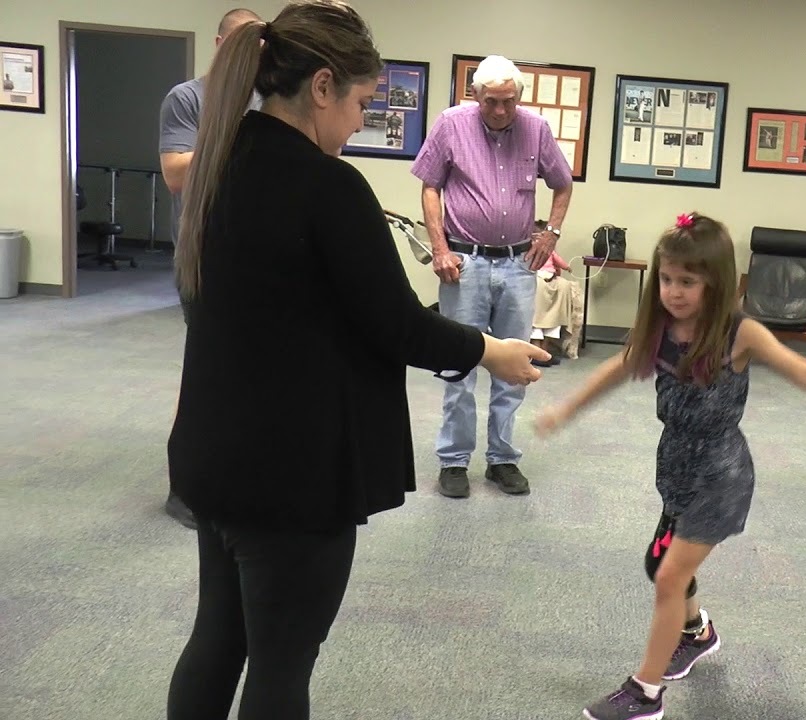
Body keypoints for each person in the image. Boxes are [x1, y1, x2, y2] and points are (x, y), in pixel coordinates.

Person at [163, 4, 548, 718]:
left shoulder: (224, 162)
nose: (360, 124)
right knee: (281, 667)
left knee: (218, 639)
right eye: (363, 104)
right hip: (291, 476)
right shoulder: (326, 186)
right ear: (321, 87)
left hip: (215, 456)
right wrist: (492, 350)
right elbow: (397, 326)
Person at [536, 212, 806, 720]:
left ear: (716, 282)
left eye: (688, 282)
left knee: (669, 579)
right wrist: (566, 409)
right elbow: (618, 367)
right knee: (659, 565)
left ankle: (645, 695)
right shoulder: (661, 328)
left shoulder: (738, 334)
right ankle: (697, 633)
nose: (674, 292)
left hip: (721, 477)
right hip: (676, 466)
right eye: (669, 280)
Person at [410, 54, 574, 499]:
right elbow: (430, 185)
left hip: (518, 264)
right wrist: (439, 248)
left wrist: (552, 233)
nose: (500, 111)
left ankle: (502, 459)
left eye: (508, 101)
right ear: (475, 95)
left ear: (518, 97)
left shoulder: (536, 129)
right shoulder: (451, 123)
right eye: (490, 102)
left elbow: (562, 182)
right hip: (466, 263)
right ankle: (454, 461)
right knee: (458, 363)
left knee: (513, 365)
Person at [157, 6, 262, 530]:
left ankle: (231, 473)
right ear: (220, 44)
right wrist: (237, 145)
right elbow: (176, 172)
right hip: (201, 257)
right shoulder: (189, 99)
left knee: (246, 373)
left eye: (260, 43)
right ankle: (184, 488)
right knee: (204, 372)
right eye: (241, 41)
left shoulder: (270, 102)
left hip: (255, 258)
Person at [530, 219, 574, 367]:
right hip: (536, 278)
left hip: (551, 278)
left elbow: (559, 262)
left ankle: (546, 349)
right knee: (539, 297)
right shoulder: (529, 249)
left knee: (563, 286)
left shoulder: (551, 252)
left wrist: (565, 268)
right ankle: (536, 349)